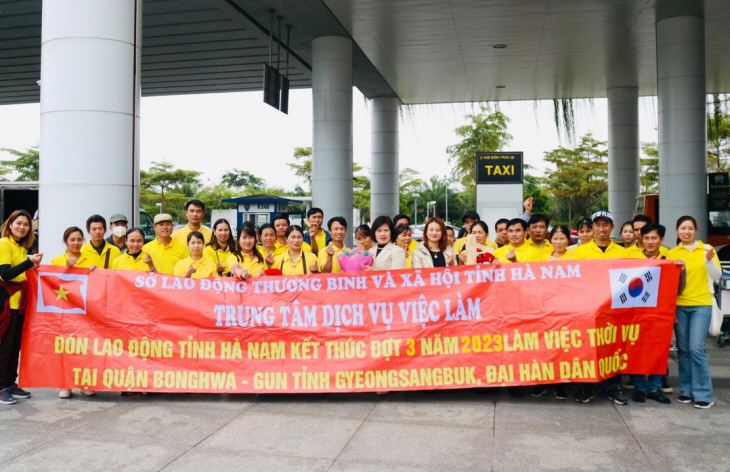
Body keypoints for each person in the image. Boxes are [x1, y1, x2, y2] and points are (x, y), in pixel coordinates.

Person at [572, 210, 628, 404]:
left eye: (606, 225)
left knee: (613, 347)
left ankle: (614, 386)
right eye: (598, 225)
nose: (601, 229)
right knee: (586, 347)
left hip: (614, 310)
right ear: (593, 227)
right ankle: (585, 386)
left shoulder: (623, 253)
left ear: (612, 227)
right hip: (586, 309)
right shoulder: (578, 252)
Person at [626, 223, 684, 405]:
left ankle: (654, 387)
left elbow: (678, 290)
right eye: (647, 238)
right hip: (636, 313)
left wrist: (682, 272)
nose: (650, 242)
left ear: (662, 240)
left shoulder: (670, 258)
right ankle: (639, 387)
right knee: (637, 350)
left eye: (654, 238)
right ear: (641, 238)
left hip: (661, 313)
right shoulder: (630, 257)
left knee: (659, 351)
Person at [667, 216, 721, 409]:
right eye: (683, 228)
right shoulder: (672, 253)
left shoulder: (707, 250)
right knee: (683, 350)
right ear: (677, 231)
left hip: (701, 304)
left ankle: (704, 394)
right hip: (680, 305)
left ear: (696, 230)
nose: (686, 231)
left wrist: (708, 262)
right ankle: (687, 391)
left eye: (690, 228)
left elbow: (717, 276)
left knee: (697, 349)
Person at [0, 210, 43, 405]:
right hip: (6, 302)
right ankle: (1, 387)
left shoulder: (20, 247)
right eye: (18, 223)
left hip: (19, 303)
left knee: (15, 346)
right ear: (10, 224)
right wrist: (28, 263)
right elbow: (6, 274)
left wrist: (30, 265)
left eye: (26, 224)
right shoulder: (4, 244)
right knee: (6, 347)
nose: (22, 227)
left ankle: (10, 383)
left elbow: (21, 272)